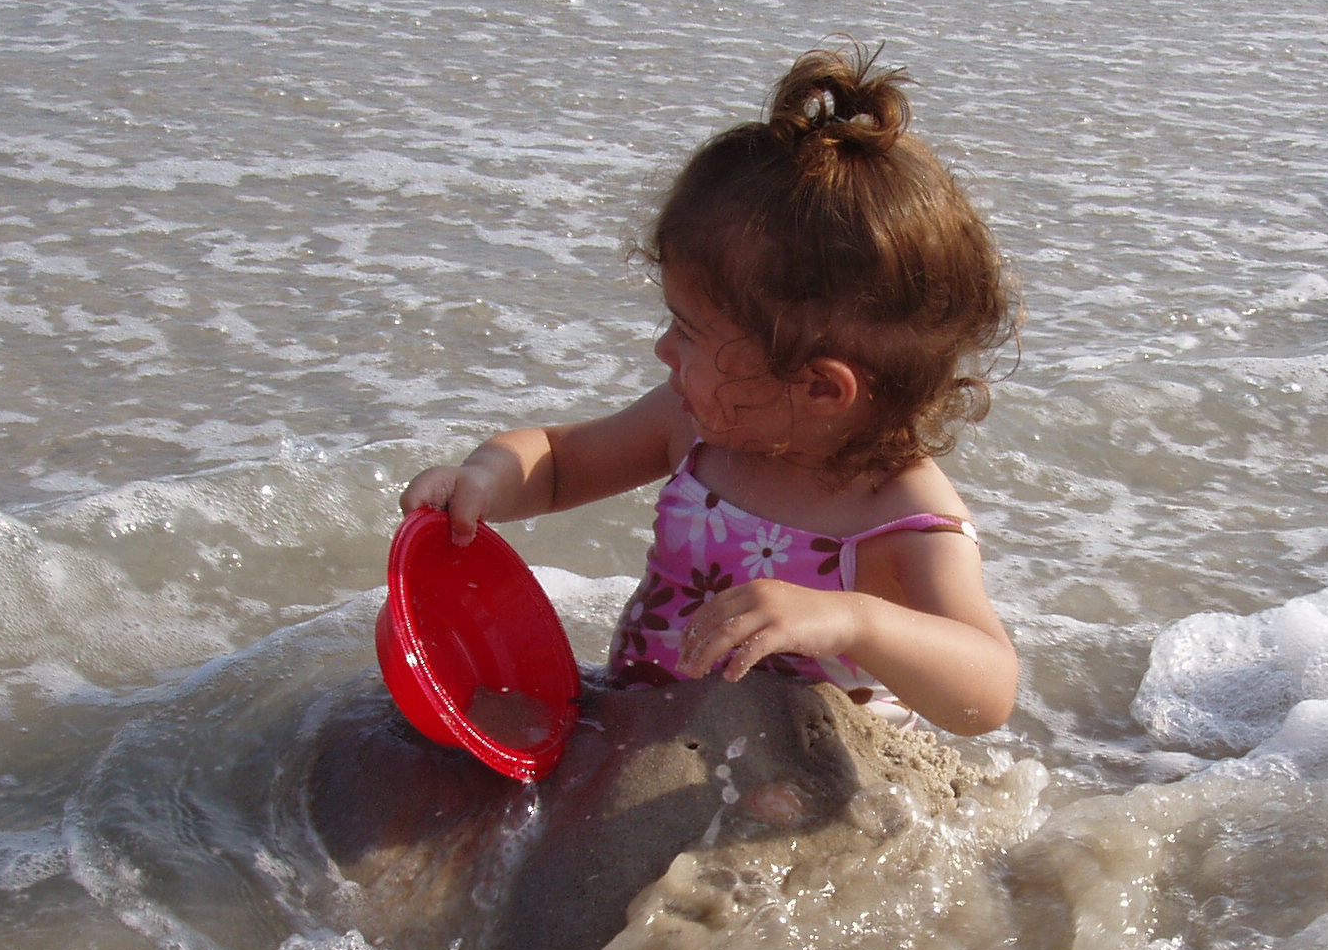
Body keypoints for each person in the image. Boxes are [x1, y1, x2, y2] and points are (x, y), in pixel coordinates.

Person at [399, 46, 1019, 736]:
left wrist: (852, 619)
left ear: (819, 387)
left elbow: (987, 690)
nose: (664, 350)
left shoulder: (904, 518)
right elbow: (559, 461)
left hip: (792, 766)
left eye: (689, 333)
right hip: (644, 726)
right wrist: (484, 479)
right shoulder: (695, 425)